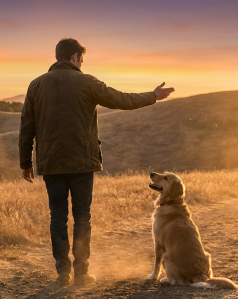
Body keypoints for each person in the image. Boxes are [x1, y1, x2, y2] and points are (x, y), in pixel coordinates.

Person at [18, 38, 175, 286]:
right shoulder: (87, 81)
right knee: (82, 216)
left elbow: (27, 126)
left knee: (57, 216)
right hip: (82, 161)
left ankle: (62, 274)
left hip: (51, 164)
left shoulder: (36, 85)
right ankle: (81, 273)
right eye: (81, 58)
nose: (81, 63)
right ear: (74, 57)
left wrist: (25, 162)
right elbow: (121, 99)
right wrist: (152, 96)